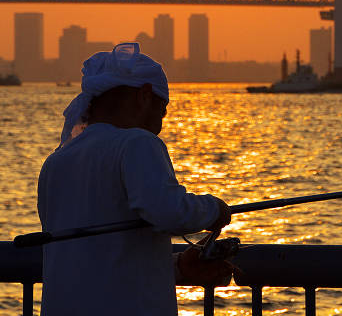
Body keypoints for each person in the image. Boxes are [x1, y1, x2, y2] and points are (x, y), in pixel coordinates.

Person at [37, 42, 232, 315]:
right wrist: (215, 210)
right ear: (144, 95)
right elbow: (168, 212)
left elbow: (95, 258)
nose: (160, 126)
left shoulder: (56, 162)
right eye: (162, 111)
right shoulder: (136, 143)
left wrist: (176, 268)